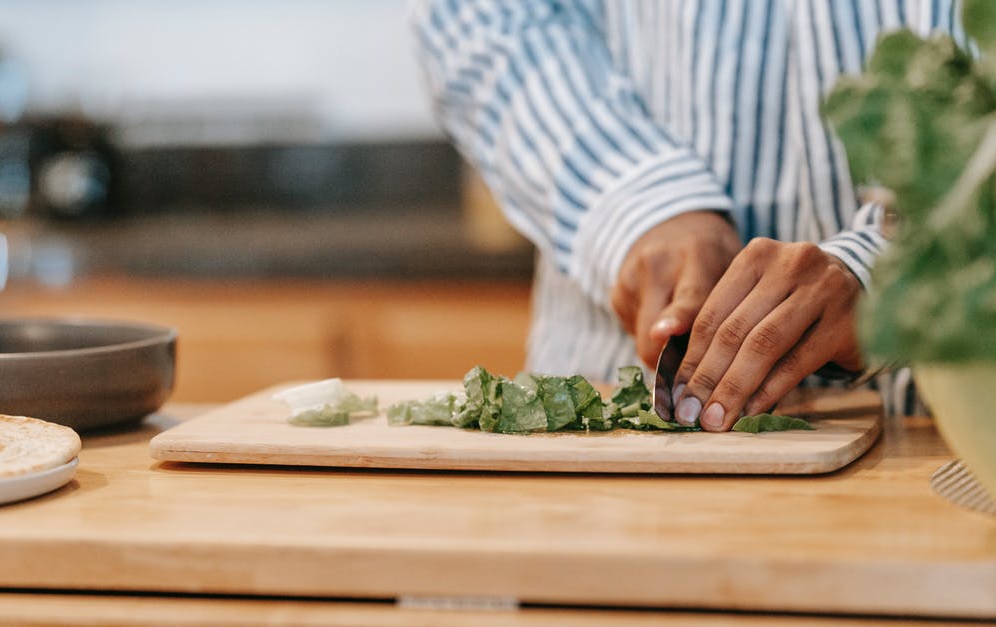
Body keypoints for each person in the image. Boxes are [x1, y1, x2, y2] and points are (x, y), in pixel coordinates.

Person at [411, 0, 961, 427]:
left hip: (972, 426)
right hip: (606, 424)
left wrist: (890, 269)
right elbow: (483, 18)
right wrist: (638, 199)